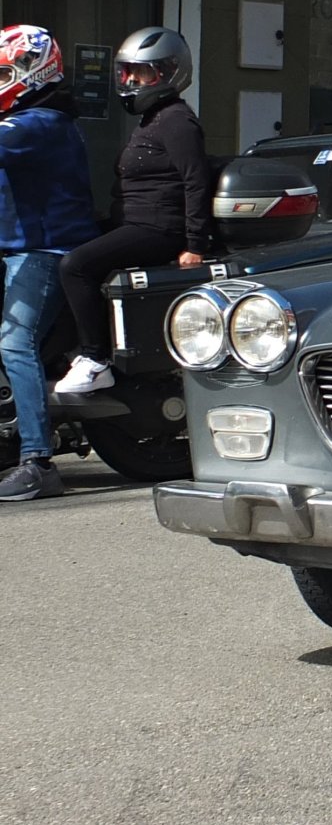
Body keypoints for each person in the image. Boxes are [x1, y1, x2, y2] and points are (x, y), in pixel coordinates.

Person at [55, 27, 211, 394]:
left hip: (158, 228)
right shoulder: (152, 119)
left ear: (169, 73)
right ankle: (65, 349)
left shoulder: (176, 121)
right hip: (134, 222)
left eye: (141, 73)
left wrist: (195, 245)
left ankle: (95, 361)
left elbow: (196, 180)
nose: (130, 81)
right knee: (66, 246)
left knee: (75, 265)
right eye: (127, 72)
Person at [0, 26, 98, 501]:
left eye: (4, 74)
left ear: (33, 71)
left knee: (14, 342)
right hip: (15, 248)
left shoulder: (40, 123)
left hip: (45, 250)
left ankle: (37, 461)